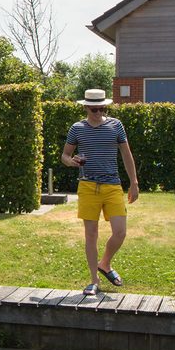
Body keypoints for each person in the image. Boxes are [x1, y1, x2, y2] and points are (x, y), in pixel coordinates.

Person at [60, 88, 139, 298]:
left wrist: (134, 182)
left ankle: (105, 263)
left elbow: (126, 154)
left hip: (113, 185)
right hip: (87, 187)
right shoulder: (77, 128)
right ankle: (94, 280)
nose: (98, 112)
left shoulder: (116, 125)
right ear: (86, 107)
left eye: (102, 108)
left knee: (120, 231)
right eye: (94, 109)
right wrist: (72, 161)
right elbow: (65, 155)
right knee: (91, 235)